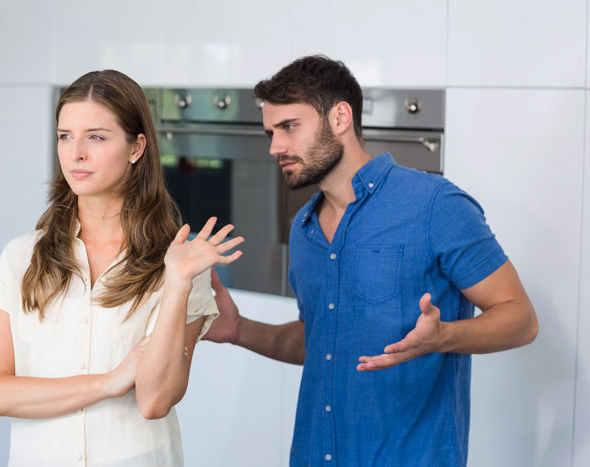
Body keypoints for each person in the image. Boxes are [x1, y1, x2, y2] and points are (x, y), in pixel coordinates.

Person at [203, 55, 538, 466]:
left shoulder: (435, 205)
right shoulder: (305, 229)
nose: (275, 147)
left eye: (289, 126)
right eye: (271, 132)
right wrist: (239, 329)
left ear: (340, 117)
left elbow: (521, 318)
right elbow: (319, 341)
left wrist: (443, 337)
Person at [0, 69, 243, 467]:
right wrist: (108, 382)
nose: (75, 153)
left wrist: (177, 284)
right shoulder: (21, 257)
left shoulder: (179, 264)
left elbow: (155, 400)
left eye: (96, 137)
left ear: (137, 147)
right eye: (65, 136)